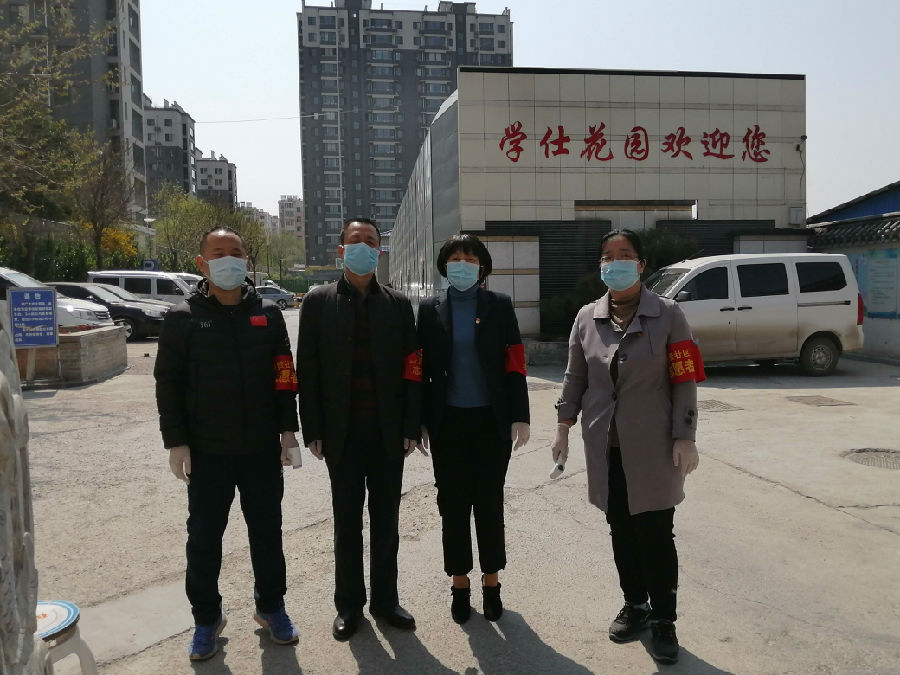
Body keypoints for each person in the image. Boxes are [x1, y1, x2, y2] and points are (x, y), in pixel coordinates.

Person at [551, 228, 703, 665]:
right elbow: (575, 377)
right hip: (605, 446)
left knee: (656, 534)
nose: (614, 262)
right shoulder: (587, 318)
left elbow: (685, 377)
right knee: (620, 528)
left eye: (624, 255)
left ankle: (664, 620)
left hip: (655, 446)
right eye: (607, 256)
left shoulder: (669, 314)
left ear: (641, 264)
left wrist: (685, 435)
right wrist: (563, 425)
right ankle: (636, 605)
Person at [154, 226, 302, 661]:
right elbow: (168, 383)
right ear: (202, 263)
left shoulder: (268, 314)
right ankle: (206, 618)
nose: (228, 260)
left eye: (235, 253)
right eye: (218, 253)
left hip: (260, 449)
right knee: (203, 538)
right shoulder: (182, 318)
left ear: (247, 261)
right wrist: (176, 442)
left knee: (267, 533)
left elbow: (284, 374)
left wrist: (287, 430)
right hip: (207, 451)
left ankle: (270, 607)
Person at [296, 217, 423, 641]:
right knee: (347, 523)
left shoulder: (398, 304)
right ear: (341, 250)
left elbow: (413, 368)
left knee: (386, 523)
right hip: (342, 435)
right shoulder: (318, 302)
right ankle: (349, 606)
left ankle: (386, 602)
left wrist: (411, 425)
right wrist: (312, 427)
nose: (364, 247)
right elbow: (307, 369)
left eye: (371, 241)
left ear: (379, 251)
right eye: (356, 241)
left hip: (388, 433)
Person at [416, 234, 530, 624]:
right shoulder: (430, 309)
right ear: (444, 265)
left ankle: (491, 582)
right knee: (452, 505)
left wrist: (520, 415)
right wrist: (420, 420)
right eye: (455, 258)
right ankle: (459, 583)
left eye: (470, 258)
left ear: (482, 266)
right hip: (447, 421)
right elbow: (419, 368)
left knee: (488, 503)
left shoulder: (499, 305)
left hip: (489, 421)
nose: (462, 264)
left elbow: (515, 361)